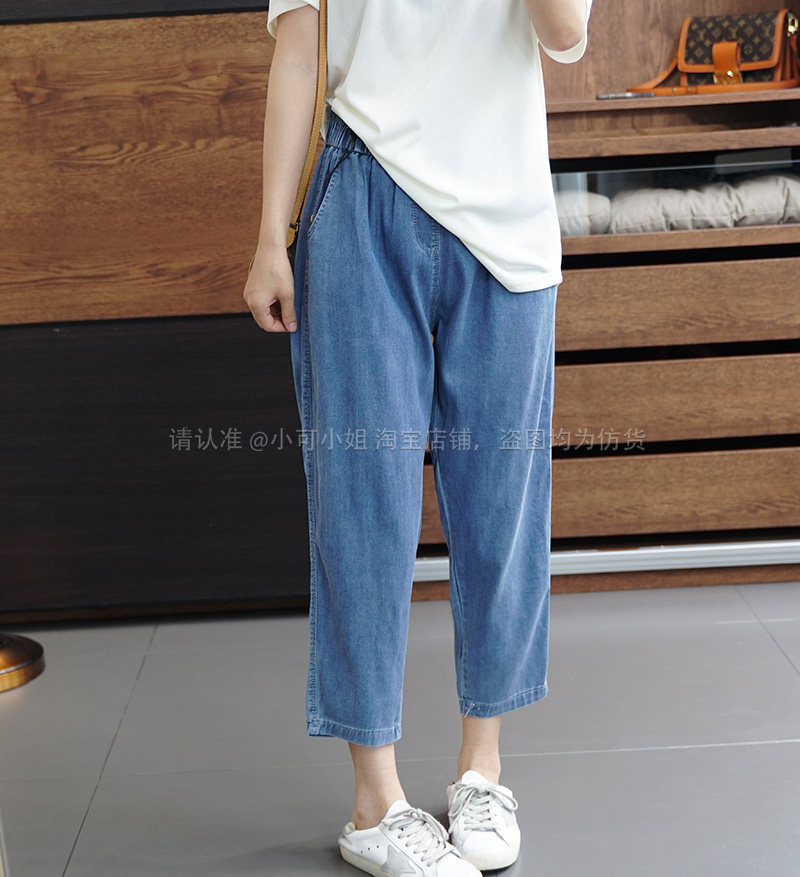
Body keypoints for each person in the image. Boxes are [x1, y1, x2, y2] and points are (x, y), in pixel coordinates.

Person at [243, 1, 593, 874]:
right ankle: (375, 801)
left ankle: (483, 769)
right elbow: (299, 55)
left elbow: (563, 33)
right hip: (362, 195)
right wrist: (269, 237)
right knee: (365, 507)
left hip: (505, 210)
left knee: (500, 503)